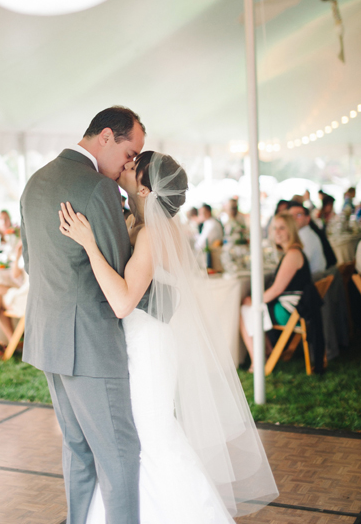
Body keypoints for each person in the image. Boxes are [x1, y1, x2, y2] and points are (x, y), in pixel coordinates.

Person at [59, 151, 277, 522]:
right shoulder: (143, 226)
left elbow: (125, 301)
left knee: (151, 439)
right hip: (142, 343)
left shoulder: (152, 234)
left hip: (149, 349)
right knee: (143, 437)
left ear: (144, 187)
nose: (123, 167)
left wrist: (89, 244)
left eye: (131, 167)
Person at [20, 106, 146, 524]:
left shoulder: (35, 181)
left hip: (47, 336)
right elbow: (122, 274)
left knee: (77, 448)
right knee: (119, 454)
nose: (130, 163)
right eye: (130, 152)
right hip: (90, 341)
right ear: (107, 136)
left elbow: (29, 263)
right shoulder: (98, 189)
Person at [240, 212, 323, 373]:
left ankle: (257, 361)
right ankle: (268, 351)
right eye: (274, 228)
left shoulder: (293, 254)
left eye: (282, 228)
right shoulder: (293, 251)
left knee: (245, 310)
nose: (277, 232)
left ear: (291, 231)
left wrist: (254, 301)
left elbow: (277, 290)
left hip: (292, 311)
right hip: (296, 307)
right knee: (251, 305)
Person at [288, 202, 326, 274]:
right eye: (290, 216)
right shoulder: (303, 234)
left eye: (298, 215)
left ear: (307, 219)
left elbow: (297, 265)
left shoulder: (306, 237)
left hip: (312, 280)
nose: (294, 218)